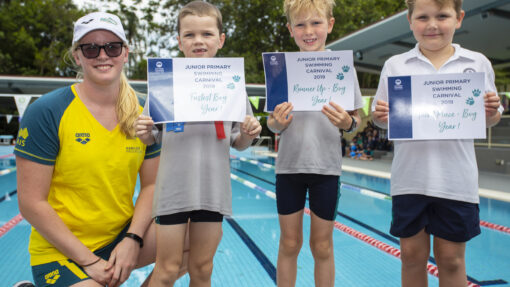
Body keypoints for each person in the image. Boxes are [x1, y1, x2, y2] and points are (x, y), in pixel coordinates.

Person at [14, 12, 185, 287]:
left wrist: (133, 239)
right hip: (61, 250)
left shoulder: (147, 111)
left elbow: (152, 185)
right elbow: (32, 203)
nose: (102, 55)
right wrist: (90, 262)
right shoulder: (47, 111)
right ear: (78, 56)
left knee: (193, 236)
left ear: (125, 53)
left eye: (112, 47)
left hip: (120, 237)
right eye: (91, 48)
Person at [371, 0, 503, 286]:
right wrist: (380, 116)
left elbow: (488, 120)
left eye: (442, 16)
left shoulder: (476, 63)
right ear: (410, 20)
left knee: (452, 260)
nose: (432, 24)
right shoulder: (396, 65)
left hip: (456, 179)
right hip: (410, 179)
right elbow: (381, 119)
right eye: (423, 17)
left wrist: (491, 113)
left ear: (459, 18)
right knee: (410, 256)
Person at [134, 2, 262, 286]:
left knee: (202, 268)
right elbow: (150, 138)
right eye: (190, 35)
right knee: (167, 270)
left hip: (211, 191)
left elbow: (238, 143)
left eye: (206, 33)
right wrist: (143, 130)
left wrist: (249, 133)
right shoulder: (165, 83)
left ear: (221, 39)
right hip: (172, 191)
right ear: (179, 41)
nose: (198, 41)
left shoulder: (232, 86)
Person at [267, 0, 364, 286]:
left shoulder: (342, 69)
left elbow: (356, 124)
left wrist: (348, 124)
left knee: (322, 246)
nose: (308, 31)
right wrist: (277, 124)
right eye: (300, 24)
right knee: (289, 244)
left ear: (330, 24)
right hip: (289, 169)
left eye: (316, 23)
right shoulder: (280, 70)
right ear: (290, 29)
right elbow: (271, 124)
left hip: (326, 170)